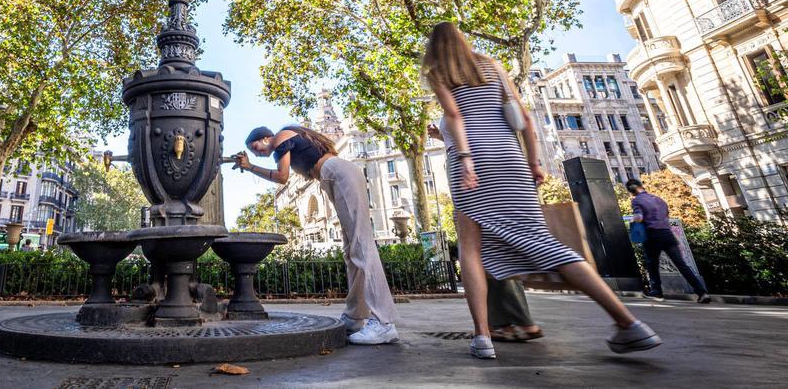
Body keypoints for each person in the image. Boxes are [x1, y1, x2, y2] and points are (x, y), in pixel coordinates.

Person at [424, 22, 660, 359]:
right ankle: (627, 321)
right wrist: (534, 163)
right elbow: (524, 119)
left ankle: (483, 338)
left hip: (472, 163)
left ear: (434, 48)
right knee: (542, 241)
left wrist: (464, 157)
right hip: (511, 159)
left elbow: (456, 115)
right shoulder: (492, 66)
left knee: (470, 251)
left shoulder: (439, 72)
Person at [235, 125, 400, 345]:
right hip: (334, 176)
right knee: (351, 250)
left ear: (266, 137)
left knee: (361, 245)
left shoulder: (282, 137)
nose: (256, 153)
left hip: (337, 173)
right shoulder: (291, 145)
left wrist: (250, 166)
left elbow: (282, 177)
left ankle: (384, 322)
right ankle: (355, 316)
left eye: (255, 147)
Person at [427, 124, 543, 342]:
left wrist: (465, 162)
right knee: (491, 246)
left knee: (482, 249)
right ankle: (510, 322)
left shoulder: (457, 93)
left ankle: (504, 325)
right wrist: (442, 136)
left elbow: (469, 130)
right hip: (487, 170)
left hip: (472, 175)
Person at [626, 179, 710, 303]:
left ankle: (657, 292)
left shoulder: (637, 201)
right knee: (681, 264)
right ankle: (702, 292)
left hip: (653, 235)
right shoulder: (658, 199)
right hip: (667, 234)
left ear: (632, 190)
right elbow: (666, 215)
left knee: (652, 264)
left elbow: (639, 217)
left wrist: (633, 220)